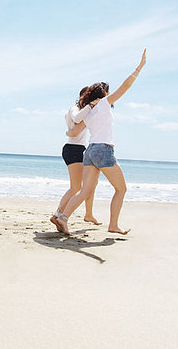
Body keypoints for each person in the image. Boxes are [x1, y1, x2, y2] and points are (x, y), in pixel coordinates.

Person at [53, 49, 147, 236]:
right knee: (121, 189)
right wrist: (139, 67)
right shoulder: (103, 104)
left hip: (89, 152)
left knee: (84, 190)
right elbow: (125, 87)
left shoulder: (87, 111)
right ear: (103, 93)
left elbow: (75, 130)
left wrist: (68, 131)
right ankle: (113, 225)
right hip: (103, 150)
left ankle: (62, 218)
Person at [49, 87, 101, 232]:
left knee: (85, 185)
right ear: (81, 96)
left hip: (77, 149)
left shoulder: (83, 111)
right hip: (73, 149)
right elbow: (76, 125)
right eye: (86, 96)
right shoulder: (75, 109)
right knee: (76, 187)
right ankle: (58, 215)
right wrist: (91, 106)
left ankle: (85, 214)